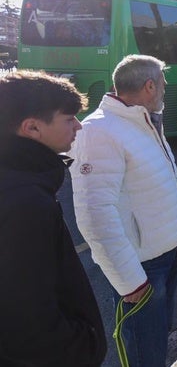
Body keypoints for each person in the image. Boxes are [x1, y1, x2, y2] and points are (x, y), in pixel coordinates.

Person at [70, 55, 177, 367]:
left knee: (156, 345)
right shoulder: (98, 131)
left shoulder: (143, 120)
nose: (165, 91)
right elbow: (95, 216)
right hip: (143, 268)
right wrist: (129, 280)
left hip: (168, 254)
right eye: (163, 85)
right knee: (146, 354)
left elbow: (162, 179)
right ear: (149, 86)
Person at [0, 71, 107, 366]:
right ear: (32, 128)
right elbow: (29, 322)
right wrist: (84, 346)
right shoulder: (26, 202)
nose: (79, 125)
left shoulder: (20, 183)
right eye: (69, 118)